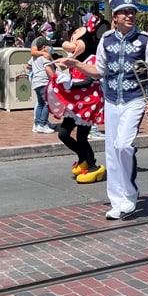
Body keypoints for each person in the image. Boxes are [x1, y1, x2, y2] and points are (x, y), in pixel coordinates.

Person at [58, 0, 148, 219]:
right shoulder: (106, 40)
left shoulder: (145, 40)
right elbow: (99, 72)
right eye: (125, 12)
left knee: (124, 145)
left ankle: (130, 194)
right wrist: (75, 62)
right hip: (111, 100)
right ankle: (117, 201)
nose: (130, 15)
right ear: (114, 17)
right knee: (112, 150)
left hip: (135, 99)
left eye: (132, 12)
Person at [47, 13, 106, 183]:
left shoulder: (93, 58)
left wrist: (70, 84)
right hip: (76, 103)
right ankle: (83, 159)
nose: (73, 44)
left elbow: (89, 79)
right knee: (63, 133)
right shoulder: (78, 58)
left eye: (77, 41)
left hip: (88, 102)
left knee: (81, 136)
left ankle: (93, 166)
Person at [30, 36, 55, 134]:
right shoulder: (44, 57)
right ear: (44, 47)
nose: (50, 47)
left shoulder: (34, 58)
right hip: (44, 82)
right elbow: (48, 69)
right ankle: (42, 124)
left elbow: (28, 66)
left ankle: (37, 124)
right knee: (47, 104)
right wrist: (54, 79)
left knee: (40, 104)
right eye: (48, 46)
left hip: (36, 82)